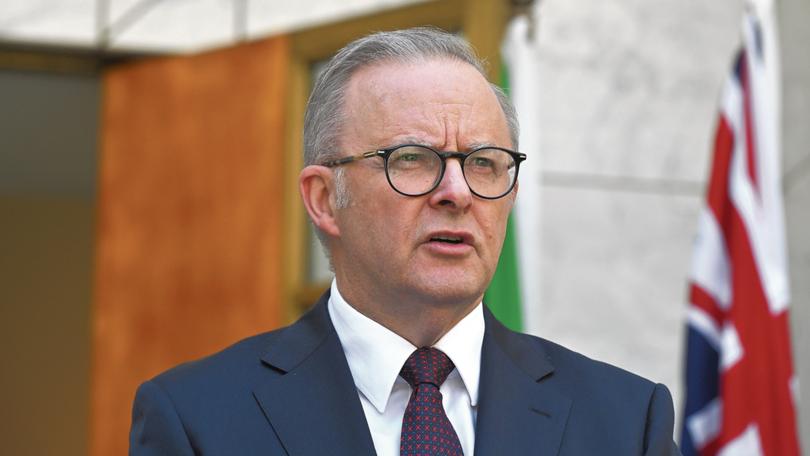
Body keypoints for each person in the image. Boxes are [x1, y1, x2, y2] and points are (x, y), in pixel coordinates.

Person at [130, 27, 680, 455]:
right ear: (324, 199)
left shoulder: (626, 421)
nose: (457, 192)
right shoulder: (196, 419)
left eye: (485, 164)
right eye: (412, 160)